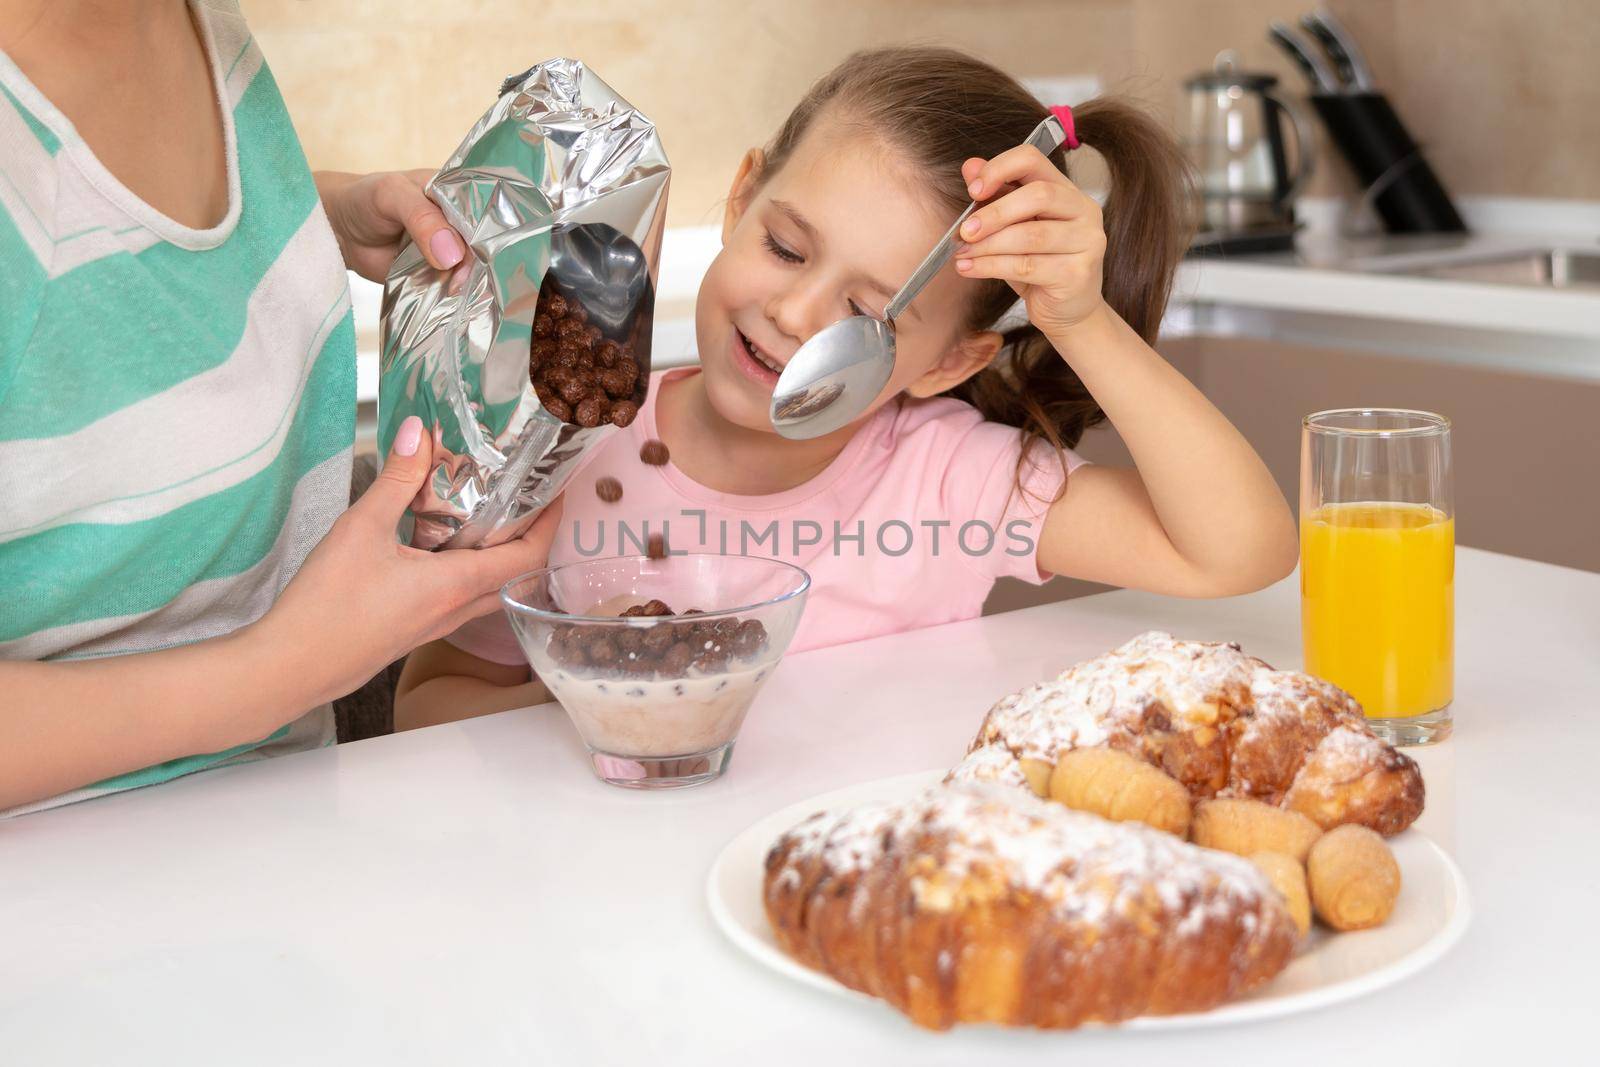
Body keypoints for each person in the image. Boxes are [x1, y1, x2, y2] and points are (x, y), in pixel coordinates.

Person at [393, 46, 1298, 731]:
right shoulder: (568, 443)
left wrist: (1083, 323)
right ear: (742, 198)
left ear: (949, 363)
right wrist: (616, 717)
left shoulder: (951, 483)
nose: (793, 315)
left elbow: (1239, 551)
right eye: (785, 247)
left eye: (866, 311)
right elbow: (427, 700)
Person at [0, 0, 558, 815]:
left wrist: (297, 220)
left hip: (281, 841)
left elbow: (76, 302)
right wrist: (281, 670)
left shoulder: (185, 18)